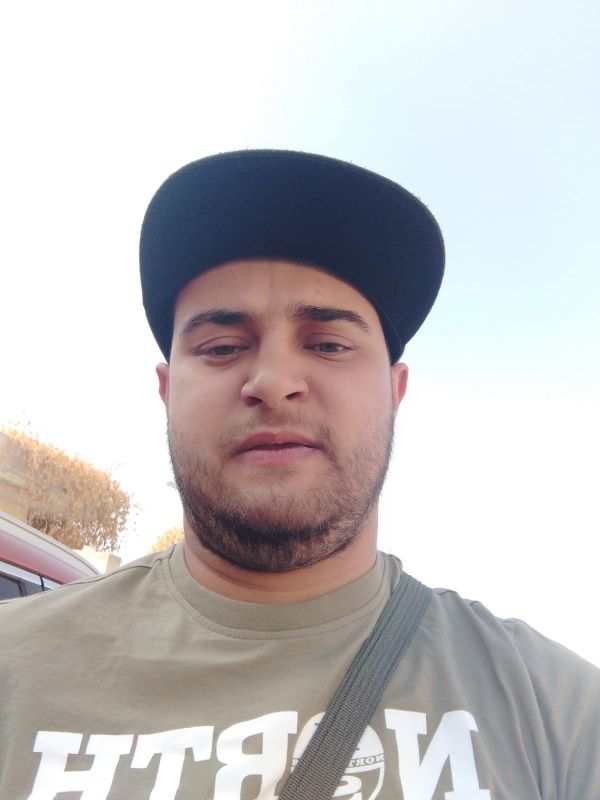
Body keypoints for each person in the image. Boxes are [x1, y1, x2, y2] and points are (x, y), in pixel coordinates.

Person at [1, 150, 598, 800]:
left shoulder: (560, 717)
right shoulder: (14, 671)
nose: (273, 381)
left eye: (329, 344)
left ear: (394, 392)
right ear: (168, 392)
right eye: (222, 348)